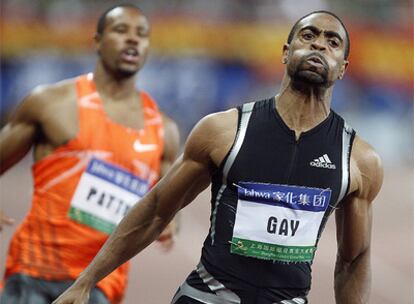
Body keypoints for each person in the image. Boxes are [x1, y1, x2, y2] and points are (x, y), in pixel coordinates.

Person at [52, 10, 384, 304]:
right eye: (308, 36)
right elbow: (155, 211)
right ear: (285, 52)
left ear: (343, 68)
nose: (319, 46)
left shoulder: (358, 159)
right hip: (208, 297)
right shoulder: (224, 131)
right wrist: (86, 281)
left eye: (332, 42)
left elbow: (353, 260)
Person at [0, 4, 180, 304]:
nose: (133, 40)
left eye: (142, 34)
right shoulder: (51, 103)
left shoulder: (164, 130)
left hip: (100, 284)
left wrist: (171, 223)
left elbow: (167, 204)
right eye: (121, 31)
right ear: (97, 41)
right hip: (34, 270)